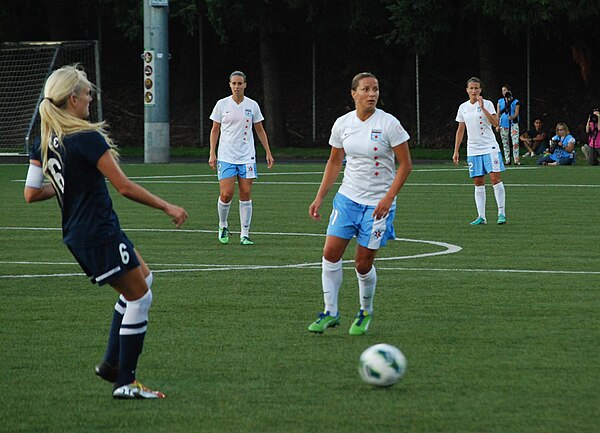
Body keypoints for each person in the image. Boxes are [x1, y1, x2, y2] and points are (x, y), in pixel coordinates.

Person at [23, 65, 188, 399]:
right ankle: (125, 382)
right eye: (86, 93)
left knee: (144, 281)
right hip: (96, 232)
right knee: (141, 297)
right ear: (73, 98)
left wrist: (67, 186)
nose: (90, 97)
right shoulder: (85, 138)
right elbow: (124, 186)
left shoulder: (46, 137)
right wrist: (167, 206)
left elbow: (31, 192)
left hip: (85, 230)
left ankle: (112, 363)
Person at [307, 72, 412, 336]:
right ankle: (330, 312)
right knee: (330, 253)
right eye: (366, 89)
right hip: (348, 198)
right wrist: (320, 196)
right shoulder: (343, 124)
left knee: (362, 264)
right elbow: (334, 162)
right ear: (354, 94)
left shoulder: (389, 124)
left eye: (375, 89)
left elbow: (406, 164)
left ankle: (365, 311)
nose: (372, 94)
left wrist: (388, 198)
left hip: (378, 205)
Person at [208, 70, 275, 246]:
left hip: (247, 156)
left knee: (245, 193)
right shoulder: (222, 105)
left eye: (240, 83)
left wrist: (268, 151)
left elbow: (259, 129)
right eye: (234, 83)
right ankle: (223, 225)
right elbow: (215, 129)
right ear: (230, 85)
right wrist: (212, 153)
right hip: (226, 155)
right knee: (226, 193)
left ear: (245, 85)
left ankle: (244, 234)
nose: (237, 87)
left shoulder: (252, 106)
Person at [453, 77, 507, 225]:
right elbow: (460, 129)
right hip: (473, 148)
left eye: (477, 88)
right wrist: (456, 150)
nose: (474, 91)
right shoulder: (463, 107)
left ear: (480, 90)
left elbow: (496, 123)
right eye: (471, 88)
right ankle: (481, 216)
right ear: (467, 90)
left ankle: (501, 213)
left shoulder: (488, 104)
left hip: (489, 146)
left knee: (495, 178)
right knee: (478, 181)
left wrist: (482, 107)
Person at [496, 84, 521, 165]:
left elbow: (516, 112)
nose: (504, 92)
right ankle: (507, 159)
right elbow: (498, 113)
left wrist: (513, 117)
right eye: (503, 90)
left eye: (505, 90)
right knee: (505, 142)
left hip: (513, 123)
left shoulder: (515, 101)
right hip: (503, 124)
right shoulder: (500, 101)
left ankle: (516, 159)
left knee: (515, 142)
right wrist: (497, 124)